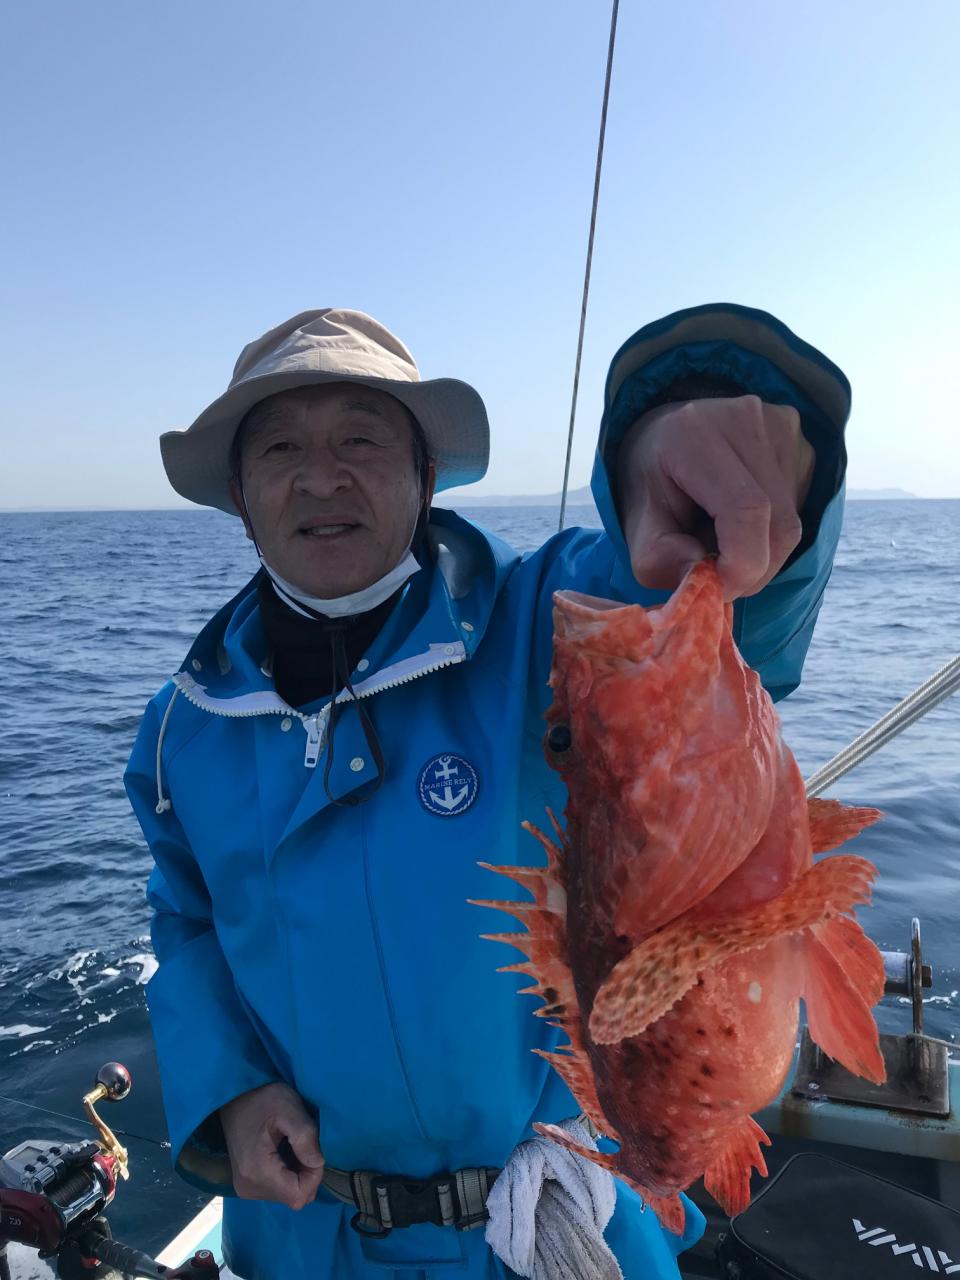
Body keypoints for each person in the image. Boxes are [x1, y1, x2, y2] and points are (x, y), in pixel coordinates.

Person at [125, 304, 851, 1280]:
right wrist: (231, 1088)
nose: (321, 476)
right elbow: (186, 921)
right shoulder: (183, 727)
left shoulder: (552, 616)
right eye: (281, 447)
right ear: (240, 494)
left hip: (566, 1211)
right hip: (304, 1237)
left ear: (426, 474)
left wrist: (686, 416)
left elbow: (710, 597)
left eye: (361, 439)